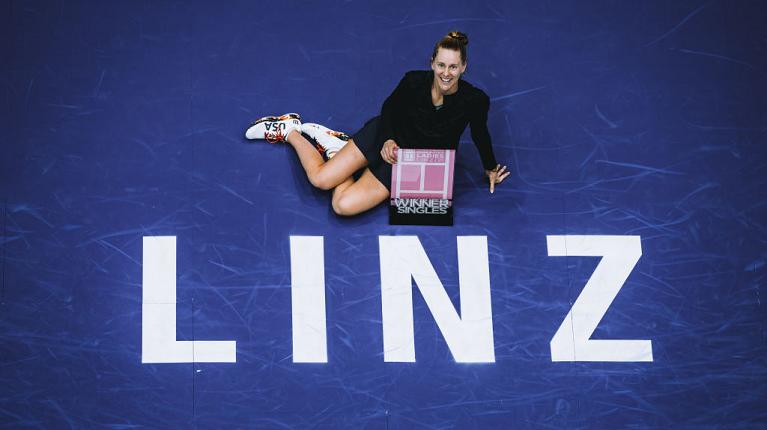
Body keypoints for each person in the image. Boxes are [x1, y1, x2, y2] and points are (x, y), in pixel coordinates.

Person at [245, 31, 510, 216]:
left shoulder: (475, 100)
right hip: (383, 137)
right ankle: (290, 130)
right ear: (432, 63)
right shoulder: (412, 82)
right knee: (320, 180)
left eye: (453, 67)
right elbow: (389, 109)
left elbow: (480, 133)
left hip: (412, 167)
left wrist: (489, 168)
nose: (446, 73)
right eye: (441, 65)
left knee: (342, 206)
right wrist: (388, 140)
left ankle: (337, 148)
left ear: (464, 67)